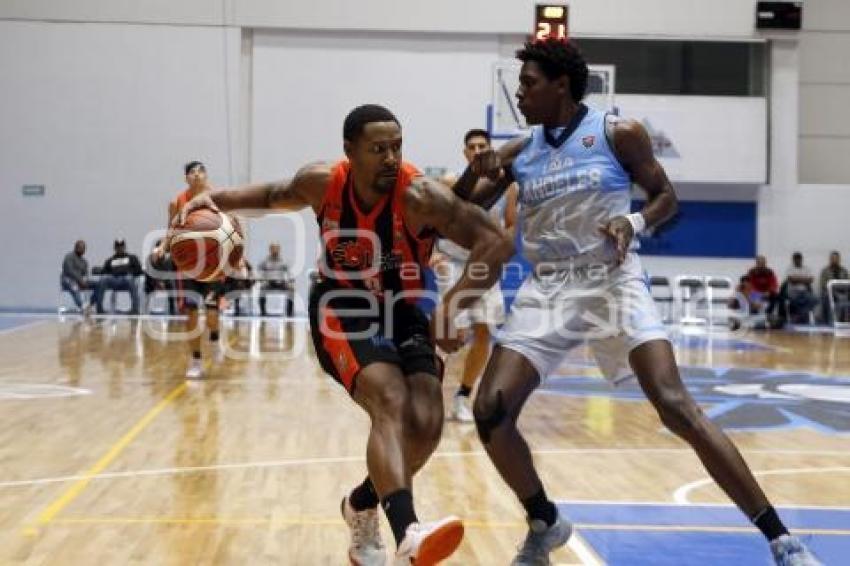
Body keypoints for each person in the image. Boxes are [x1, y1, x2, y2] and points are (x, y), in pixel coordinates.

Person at [453, 38, 820, 565]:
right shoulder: (518, 152)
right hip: (549, 287)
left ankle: (782, 540)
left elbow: (666, 196)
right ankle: (545, 522)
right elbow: (461, 212)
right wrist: (476, 167)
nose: (520, 92)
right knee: (490, 410)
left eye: (529, 82)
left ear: (561, 85)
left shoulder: (617, 132)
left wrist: (634, 220)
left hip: (611, 279)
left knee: (676, 405)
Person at [176, 104, 514, 565]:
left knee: (425, 425)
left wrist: (452, 308)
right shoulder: (324, 183)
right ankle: (408, 531)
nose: (391, 157)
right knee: (389, 399)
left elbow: (495, 242)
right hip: (343, 305)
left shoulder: (421, 196)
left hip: (408, 307)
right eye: (379, 149)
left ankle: (360, 505)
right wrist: (217, 199)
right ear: (349, 151)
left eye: (397, 146)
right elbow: (276, 193)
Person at [431, 128, 518, 422]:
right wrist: (430, 253)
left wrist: (503, 251)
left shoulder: (508, 187)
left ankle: (463, 396)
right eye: (472, 146)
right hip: (453, 263)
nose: (478, 150)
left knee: (485, 331)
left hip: (485, 265)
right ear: (465, 152)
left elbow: (510, 225)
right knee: (445, 330)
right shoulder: (450, 182)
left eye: (483, 146)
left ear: (491, 151)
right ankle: (429, 393)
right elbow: (432, 220)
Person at [160, 161, 227, 379]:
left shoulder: (219, 197)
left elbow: (233, 224)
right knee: (190, 314)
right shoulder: (177, 202)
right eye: (192, 172)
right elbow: (171, 229)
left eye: (201, 171)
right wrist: (163, 247)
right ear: (186, 178)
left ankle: (215, 338)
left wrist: (238, 255)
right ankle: (196, 360)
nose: (197, 175)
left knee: (210, 314)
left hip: (212, 265)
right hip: (186, 265)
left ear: (206, 176)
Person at [95, 239, 143, 315]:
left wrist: (130, 273)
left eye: (121, 246)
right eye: (118, 247)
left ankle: (135, 309)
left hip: (126, 280)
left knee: (129, 279)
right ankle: (99, 308)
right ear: (115, 248)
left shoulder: (132, 258)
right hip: (114, 279)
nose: (120, 248)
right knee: (103, 279)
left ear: (124, 247)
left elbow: (139, 270)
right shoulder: (110, 260)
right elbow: (104, 271)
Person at [257, 243, 294, 317]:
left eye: (276, 249)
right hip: (269, 283)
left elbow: (289, 273)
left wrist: (290, 281)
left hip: (281, 283)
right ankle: (263, 312)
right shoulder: (265, 261)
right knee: (262, 289)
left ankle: (289, 313)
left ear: (279, 250)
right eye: (273, 249)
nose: (275, 250)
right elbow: (259, 271)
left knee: (291, 289)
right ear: (270, 250)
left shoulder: (283, 261)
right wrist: (262, 279)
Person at [781, 252, 817, 324]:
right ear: (793, 260)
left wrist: (798, 279)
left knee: (815, 299)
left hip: (804, 292)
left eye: (799, 259)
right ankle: (801, 315)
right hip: (793, 292)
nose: (797, 260)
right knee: (798, 301)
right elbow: (792, 280)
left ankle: (800, 315)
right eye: (796, 259)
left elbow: (811, 280)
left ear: (801, 259)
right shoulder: (790, 269)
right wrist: (804, 280)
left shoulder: (806, 269)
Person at [60, 239, 95, 315]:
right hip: (68, 280)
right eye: (80, 247)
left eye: (83, 248)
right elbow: (70, 271)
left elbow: (85, 274)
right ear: (75, 247)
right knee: (74, 286)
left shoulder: (84, 262)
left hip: (81, 281)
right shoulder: (69, 257)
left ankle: (89, 305)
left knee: (98, 285)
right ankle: (82, 306)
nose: (82, 249)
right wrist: (80, 280)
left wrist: (85, 281)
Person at [818, 251, 849, 324]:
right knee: (830, 298)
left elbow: (847, 283)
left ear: (839, 259)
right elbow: (823, 284)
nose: (834, 260)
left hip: (842, 292)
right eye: (833, 258)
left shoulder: (844, 271)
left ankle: (844, 321)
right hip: (829, 293)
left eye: (836, 258)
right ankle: (831, 322)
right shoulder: (825, 271)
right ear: (830, 259)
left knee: (843, 298)